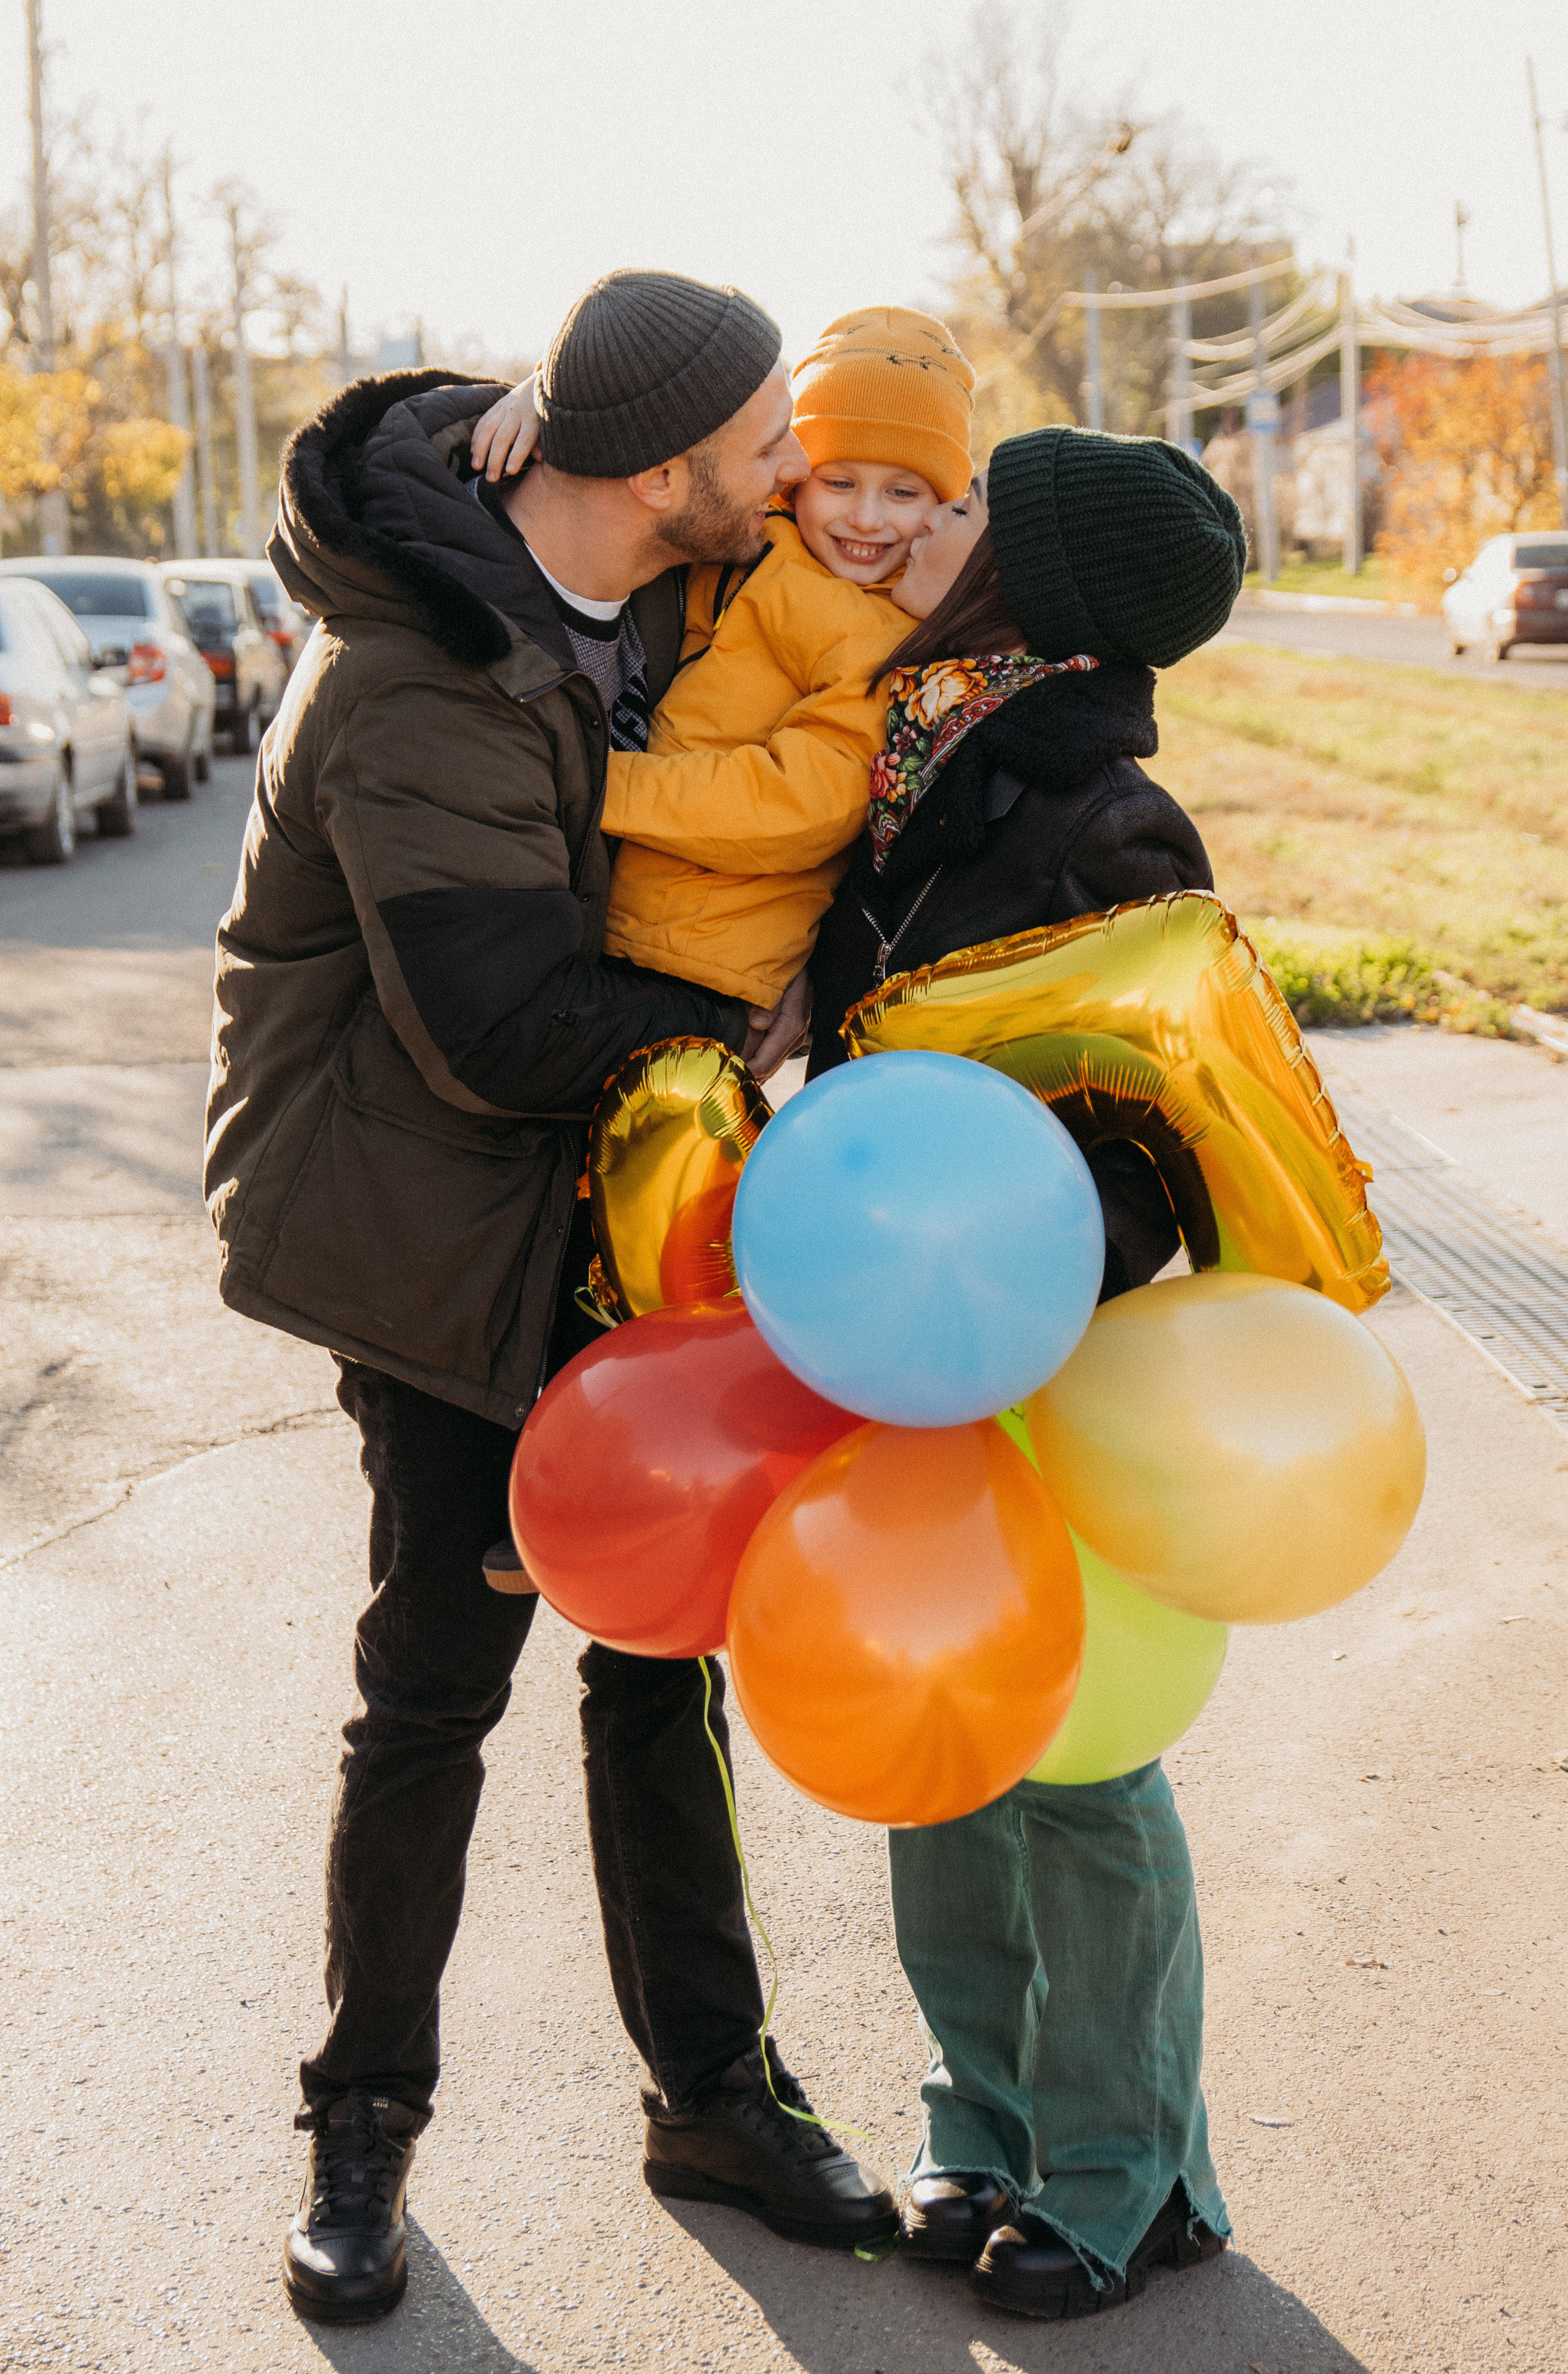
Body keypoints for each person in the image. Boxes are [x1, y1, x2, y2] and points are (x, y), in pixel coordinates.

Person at [204, 268, 896, 2331]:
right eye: (763, 443)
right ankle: (360, 2131)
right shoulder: (410, 676)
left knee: (660, 1657)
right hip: (432, 1233)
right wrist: (729, 1024)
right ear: (661, 472)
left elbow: (913, 559)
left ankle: (714, 2099)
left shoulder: (665, 578)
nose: (795, 471)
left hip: (615, 1203)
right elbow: (501, 1026)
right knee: (438, 1685)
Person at [808, 427, 1247, 2322]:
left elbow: (1163, 1138)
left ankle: (1128, 2169)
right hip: (888, 1340)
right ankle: (979, 2121)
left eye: (972, 503)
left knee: (1076, 1759)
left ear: (1035, 588)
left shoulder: (1101, 815)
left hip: (1037, 1353)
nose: (931, 520)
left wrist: (1001, 1269)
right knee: (939, 1738)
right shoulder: (905, 754)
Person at [472, 307, 975, 1010]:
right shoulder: (756, 532)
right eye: (839, 482)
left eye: (903, 492)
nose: (866, 518)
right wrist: (547, 397)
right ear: (796, 473)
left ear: (943, 504)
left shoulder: (888, 640)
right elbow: (688, 399)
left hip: (704, 955)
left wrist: (601, 784)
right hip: (618, 916)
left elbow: (799, 805)